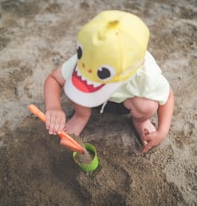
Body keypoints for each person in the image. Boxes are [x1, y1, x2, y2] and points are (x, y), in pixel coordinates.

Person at [44, 10, 174, 154]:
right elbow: (54, 79)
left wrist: (162, 131)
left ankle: (140, 121)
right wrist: (54, 107)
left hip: (127, 103)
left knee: (147, 105)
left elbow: (167, 97)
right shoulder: (90, 57)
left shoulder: (147, 74)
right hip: (88, 101)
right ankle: (81, 115)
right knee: (77, 84)